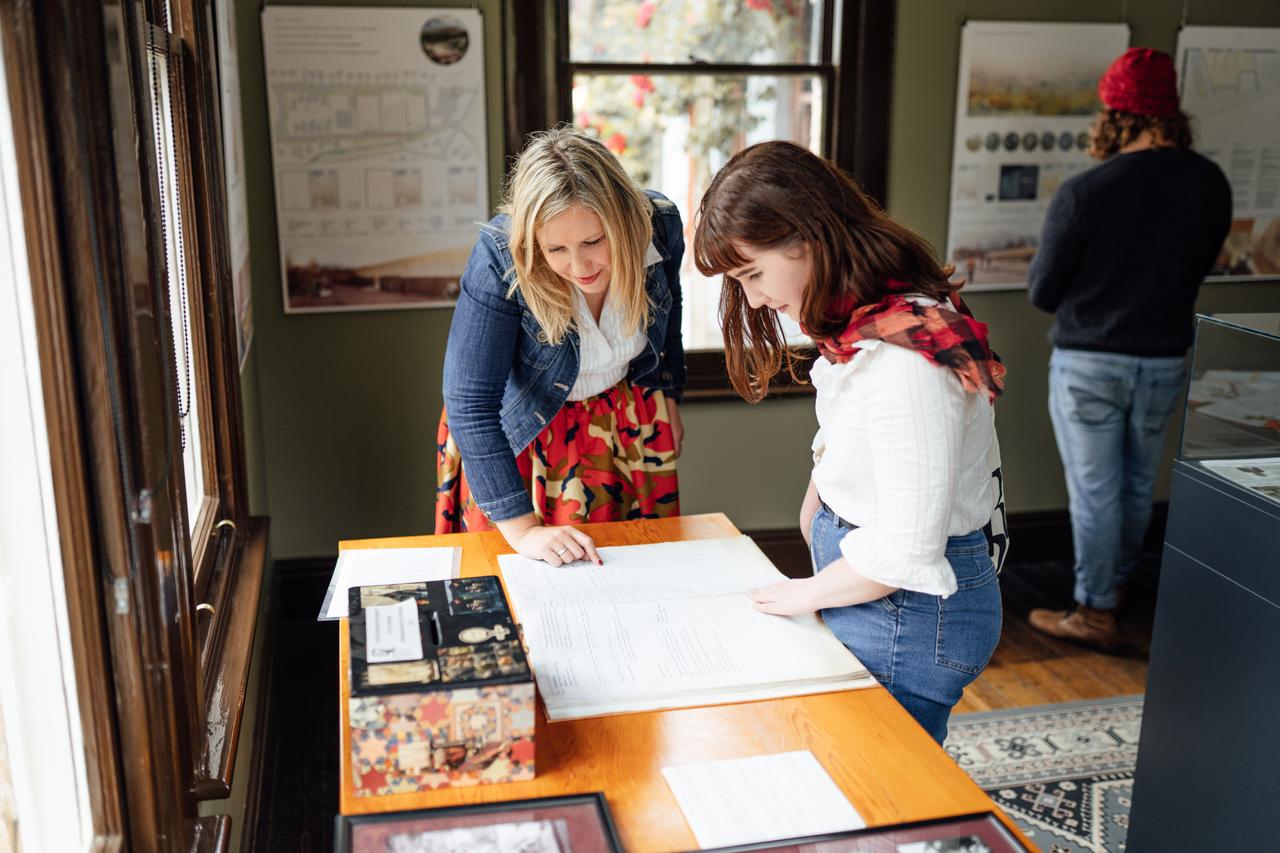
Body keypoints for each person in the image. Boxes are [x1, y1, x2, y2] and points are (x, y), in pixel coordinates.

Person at [693, 142, 1008, 744]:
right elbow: (867, 437)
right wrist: (819, 510)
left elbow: (904, 551)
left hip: (905, 611)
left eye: (752, 273)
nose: (754, 299)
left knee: (879, 788)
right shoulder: (870, 320)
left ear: (807, 237)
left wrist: (799, 594)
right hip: (877, 591)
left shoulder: (903, 360)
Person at [1026, 48, 1232, 649]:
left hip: (1090, 362)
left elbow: (1043, 291)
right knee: (1138, 487)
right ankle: (1111, 592)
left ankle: (1092, 612)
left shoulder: (1088, 190)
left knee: (1095, 492)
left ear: (1115, 112)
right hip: (1166, 357)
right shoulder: (1209, 183)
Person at [437, 127, 687, 565]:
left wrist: (667, 394)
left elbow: (672, 311)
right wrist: (524, 529)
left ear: (626, 219)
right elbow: (470, 402)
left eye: (594, 241)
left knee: (633, 571)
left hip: (626, 426)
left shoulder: (660, 224)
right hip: (518, 436)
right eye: (556, 249)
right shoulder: (499, 255)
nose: (579, 266)